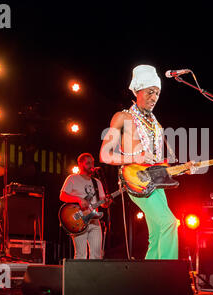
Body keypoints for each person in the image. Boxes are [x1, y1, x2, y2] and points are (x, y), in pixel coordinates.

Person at [99, 64, 194, 260]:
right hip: (137, 179)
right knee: (169, 223)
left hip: (155, 181)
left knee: (158, 232)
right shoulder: (123, 117)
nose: (154, 98)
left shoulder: (156, 124)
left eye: (157, 93)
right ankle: (167, 278)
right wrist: (136, 157)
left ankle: (150, 283)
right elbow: (105, 156)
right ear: (137, 90)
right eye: (150, 92)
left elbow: (158, 163)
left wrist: (183, 169)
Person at [60, 153, 111, 259]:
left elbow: (103, 203)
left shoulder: (97, 182)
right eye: (88, 163)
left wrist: (106, 202)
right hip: (79, 220)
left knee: (97, 255)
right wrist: (79, 200)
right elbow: (62, 196)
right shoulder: (72, 178)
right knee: (81, 255)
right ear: (80, 164)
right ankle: (79, 276)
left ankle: (94, 276)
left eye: (92, 162)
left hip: (94, 221)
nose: (91, 165)